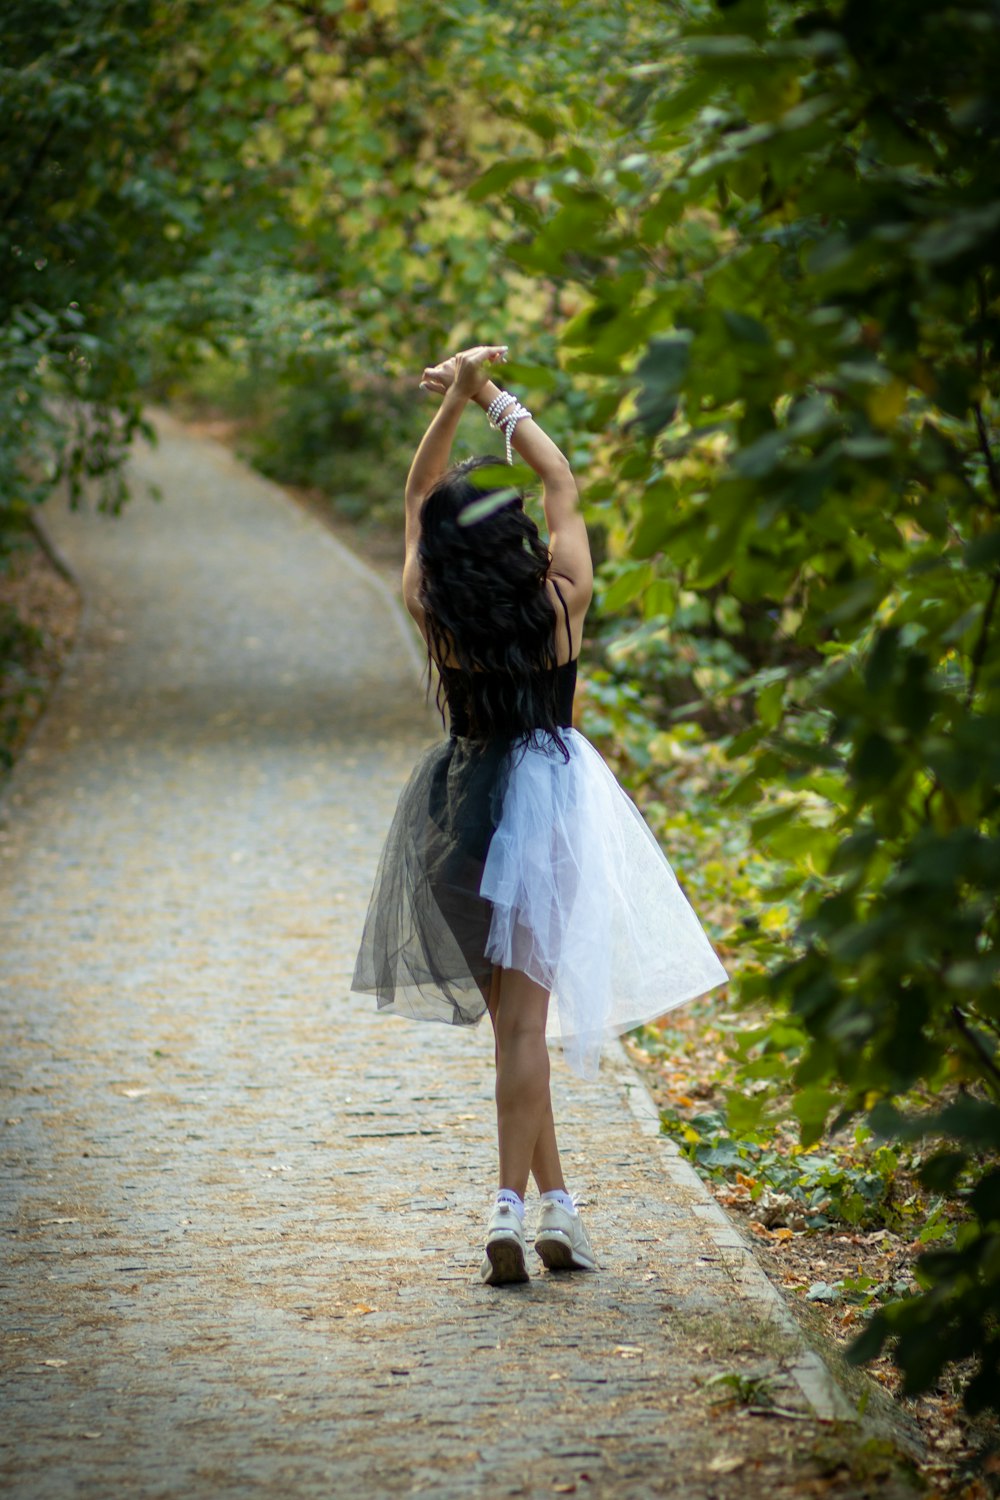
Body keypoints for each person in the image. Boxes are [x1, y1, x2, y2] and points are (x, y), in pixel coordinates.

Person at [350, 344, 728, 1287]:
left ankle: (558, 1206)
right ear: (509, 538)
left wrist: (457, 396)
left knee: (517, 1026)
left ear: (444, 548)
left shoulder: (432, 604)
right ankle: (508, 1209)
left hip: (458, 812)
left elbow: (418, 493)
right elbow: (559, 475)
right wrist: (495, 396)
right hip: (549, 813)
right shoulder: (562, 599)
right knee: (525, 1030)